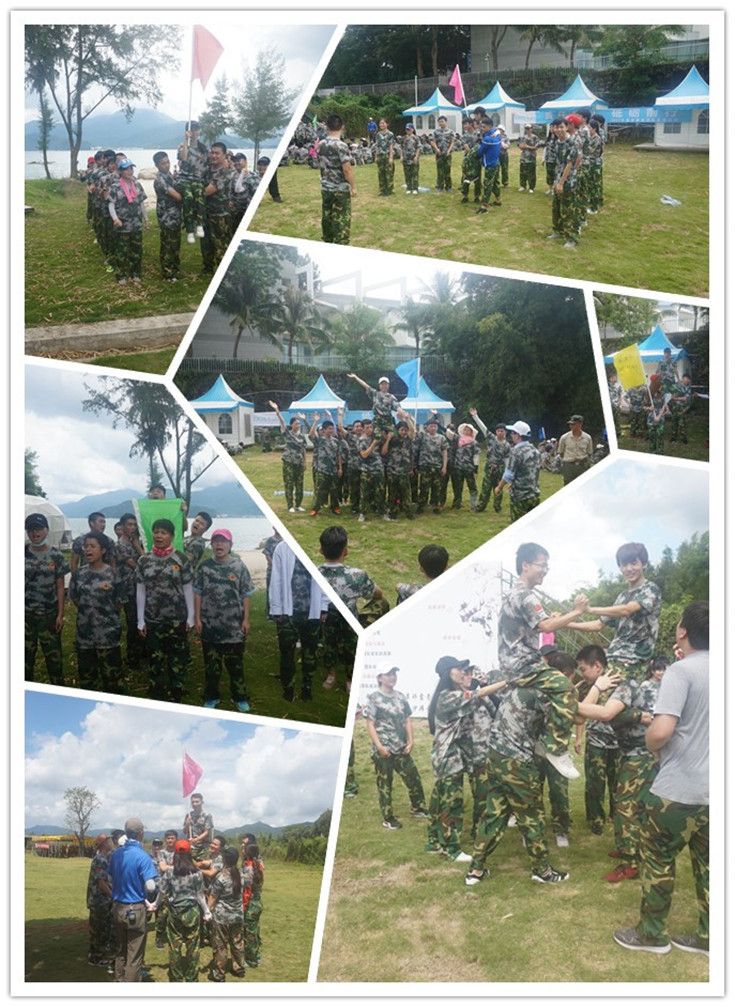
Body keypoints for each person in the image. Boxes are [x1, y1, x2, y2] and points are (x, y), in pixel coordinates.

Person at [613, 601, 709, 955]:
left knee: (657, 858)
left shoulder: (680, 672)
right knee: (711, 866)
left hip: (678, 789)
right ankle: (712, 936)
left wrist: (653, 746)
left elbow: (661, 731)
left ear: (682, 631)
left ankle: (652, 934)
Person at [499, 542, 593, 779]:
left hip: (518, 664)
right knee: (566, 688)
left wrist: (552, 619)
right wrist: (577, 611)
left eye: (547, 567)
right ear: (525, 565)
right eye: (542, 565)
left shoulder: (515, 593)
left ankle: (545, 741)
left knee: (553, 698)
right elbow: (546, 626)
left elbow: (538, 623)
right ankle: (556, 748)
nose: (545, 571)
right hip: (523, 665)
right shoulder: (525, 595)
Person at [426, 656, 507, 861]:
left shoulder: (451, 694)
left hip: (449, 755)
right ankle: (451, 849)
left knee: (441, 800)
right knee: (452, 802)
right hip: (448, 756)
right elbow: (478, 693)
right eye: (457, 669)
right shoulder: (447, 696)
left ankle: (434, 842)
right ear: (447, 673)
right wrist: (507, 681)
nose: (462, 672)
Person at [194, 527, 255, 713]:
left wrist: (246, 619)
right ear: (211, 544)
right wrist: (197, 618)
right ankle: (212, 696)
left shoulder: (239, 567)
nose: (219, 545)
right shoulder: (204, 567)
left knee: (235, 666)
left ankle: (240, 697)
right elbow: (198, 593)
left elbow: (246, 594)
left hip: (233, 627)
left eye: (223, 541)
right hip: (210, 626)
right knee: (211, 667)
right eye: (216, 541)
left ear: (230, 545)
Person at [136, 518, 194, 702]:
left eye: (163, 532)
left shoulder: (181, 559)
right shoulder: (144, 560)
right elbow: (140, 590)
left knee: (177, 657)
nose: (159, 536)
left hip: (177, 618)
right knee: (155, 658)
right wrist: (140, 619)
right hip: (153, 618)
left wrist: (191, 616)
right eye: (156, 532)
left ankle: (177, 689)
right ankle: (156, 689)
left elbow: (188, 588)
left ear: (172, 536)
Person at [365, 665, 428, 829]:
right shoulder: (374, 698)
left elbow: (407, 720)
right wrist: (379, 746)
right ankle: (388, 818)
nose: (392, 677)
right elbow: (370, 724)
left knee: (413, 778)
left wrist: (411, 741)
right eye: (388, 674)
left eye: (394, 673)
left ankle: (418, 807)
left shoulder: (400, 697)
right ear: (380, 678)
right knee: (385, 784)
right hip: (384, 750)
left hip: (401, 747)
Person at [269, 539, 329, 700]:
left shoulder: (314, 543)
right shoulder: (282, 548)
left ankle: (307, 689)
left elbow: (324, 577)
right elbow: (276, 579)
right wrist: (276, 609)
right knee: (287, 653)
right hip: (287, 612)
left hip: (312, 611)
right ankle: (288, 689)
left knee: (310, 654)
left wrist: (324, 605)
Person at [69, 530, 123, 693]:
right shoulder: (79, 574)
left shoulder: (113, 574)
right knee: (87, 679)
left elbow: (119, 602)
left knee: (112, 679)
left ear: (103, 550)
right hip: (85, 635)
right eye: (86, 546)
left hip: (108, 635)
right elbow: (75, 598)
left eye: (93, 546)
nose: (88, 550)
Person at [108, 816, 158, 982]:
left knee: (120, 950)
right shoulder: (143, 856)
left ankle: (119, 980)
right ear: (141, 833)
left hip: (118, 907)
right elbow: (150, 887)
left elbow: (110, 879)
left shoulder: (116, 854)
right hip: (135, 908)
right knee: (134, 954)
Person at [576, 645, 619, 836]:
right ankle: (596, 820)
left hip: (618, 743)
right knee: (595, 784)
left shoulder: (618, 681)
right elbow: (580, 713)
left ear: (597, 666)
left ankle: (617, 817)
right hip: (596, 742)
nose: (582, 673)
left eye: (584, 669)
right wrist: (579, 737)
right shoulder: (586, 685)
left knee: (617, 784)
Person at [24, 512, 68, 684]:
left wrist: (60, 614)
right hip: (25, 616)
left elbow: (60, 586)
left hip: (49, 615)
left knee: (54, 660)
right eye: (30, 529)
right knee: (24, 660)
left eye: (38, 529)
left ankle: (58, 689)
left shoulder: (56, 555)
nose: (34, 533)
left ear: (47, 530)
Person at [160, 839, 211, 981]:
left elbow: (162, 892)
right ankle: (191, 977)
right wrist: (206, 911)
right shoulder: (197, 873)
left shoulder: (170, 871)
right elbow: (200, 895)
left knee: (174, 946)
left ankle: (176, 977)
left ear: (175, 854)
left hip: (175, 911)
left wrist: (154, 904)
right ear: (190, 854)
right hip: (192, 911)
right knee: (193, 946)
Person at [318, 525, 386, 626]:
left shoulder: (310, 575)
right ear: (345, 551)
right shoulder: (357, 576)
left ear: (321, 550)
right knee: (382, 602)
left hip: (320, 628)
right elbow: (378, 594)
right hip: (348, 629)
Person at [317, 113, 355, 244]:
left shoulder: (320, 144)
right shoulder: (341, 145)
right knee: (342, 220)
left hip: (326, 187)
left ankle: (328, 240)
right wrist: (353, 187)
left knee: (327, 216)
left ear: (327, 127)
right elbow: (347, 169)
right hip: (340, 190)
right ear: (342, 127)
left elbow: (321, 164)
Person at [209, 846, 245, 980]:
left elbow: (213, 898)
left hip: (222, 917)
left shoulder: (221, 877)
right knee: (237, 942)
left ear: (224, 859)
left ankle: (219, 974)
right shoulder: (241, 875)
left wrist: (207, 912)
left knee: (221, 945)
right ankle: (239, 968)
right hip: (238, 915)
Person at [108, 160, 147, 285]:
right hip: (122, 225)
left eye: (131, 168)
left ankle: (136, 273)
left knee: (137, 250)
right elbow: (111, 204)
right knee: (122, 251)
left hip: (136, 224)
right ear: (120, 171)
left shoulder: (137, 184)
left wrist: (146, 219)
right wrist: (115, 219)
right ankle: (121, 275)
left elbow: (141, 203)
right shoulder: (115, 186)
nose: (130, 171)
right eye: (126, 169)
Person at [494, 421, 541, 522]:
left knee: (517, 525)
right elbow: (531, 471)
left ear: (518, 435)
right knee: (533, 525)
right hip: (534, 494)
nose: (511, 435)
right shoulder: (535, 450)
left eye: (513, 433)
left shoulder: (515, 452)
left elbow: (508, 474)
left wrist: (499, 487)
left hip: (520, 496)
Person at [469, 409, 510, 514]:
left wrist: (507, 472)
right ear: (496, 432)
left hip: (500, 470)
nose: (500, 432)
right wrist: (475, 416)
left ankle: (497, 507)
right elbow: (483, 428)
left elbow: (507, 460)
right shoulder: (491, 438)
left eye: (502, 431)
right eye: (498, 430)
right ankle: (480, 507)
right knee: (485, 488)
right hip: (489, 468)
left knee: (499, 488)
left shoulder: (507, 445)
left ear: (505, 432)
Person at [270, 402, 308, 512]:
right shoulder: (288, 433)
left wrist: (305, 462)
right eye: (296, 424)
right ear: (291, 425)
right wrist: (277, 411)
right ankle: (290, 506)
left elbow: (303, 450)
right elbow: (282, 422)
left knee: (299, 484)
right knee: (289, 484)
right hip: (289, 462)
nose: (298, 425)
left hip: (299, 463)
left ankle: (298, 505)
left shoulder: (302, 437)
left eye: (299, 424)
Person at [202, 142, 234, 272]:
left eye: (217, 153)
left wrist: (190, 192)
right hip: (206, 213)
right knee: (206, 243)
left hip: (220, 215)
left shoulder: (225, 172)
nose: (214, 155)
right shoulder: (208, 169)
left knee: (220, 244)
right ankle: (207, 267)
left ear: (224, 155)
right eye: (212, 152)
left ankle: (223, 271)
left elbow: (207, 191)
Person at [547, 118, 578, 249]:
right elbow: (556, 164)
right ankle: (557, 231)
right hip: (558, 178)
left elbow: (569, 164)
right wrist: (556, 181)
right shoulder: (556, 143)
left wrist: (561, 182)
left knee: (568, 209)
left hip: (568, 180)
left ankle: (571, 237)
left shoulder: (573, 142)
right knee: (556, 207)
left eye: (561, 127)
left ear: (567, 127)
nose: (558, 130)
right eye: (556, 127)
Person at [152, 151, 183, 282]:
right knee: (168, 245)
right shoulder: (160, 179)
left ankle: (175, 268)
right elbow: (177, 196)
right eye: (163, 163)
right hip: (167, 217)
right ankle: (167, 273)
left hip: (175, 215)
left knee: (175, 243)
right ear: (157, 165)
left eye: (168, 162)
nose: (167, 165)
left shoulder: (169, 175)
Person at [177, 120, 208, 242]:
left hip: (197, 179)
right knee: (188, 197)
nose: (195, 132)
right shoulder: (183, 146)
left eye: (197, 129)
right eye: (192, 129)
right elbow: (183, 158)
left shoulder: (203, 148)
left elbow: (207, 165)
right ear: (188, 131)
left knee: (199, 195)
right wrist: (186, 140)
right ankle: (189, 230)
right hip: (184, 179)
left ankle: (199, 224)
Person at [86, 834, 115, 967]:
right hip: (99, 901)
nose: (111, 842)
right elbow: (101, 883)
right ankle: (96, 957)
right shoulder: (100, 859)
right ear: (104, 843)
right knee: (99, 930)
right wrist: (112, 896)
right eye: (109, 840)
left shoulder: (104, 858)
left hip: (102, 901)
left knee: (102, 929)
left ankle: (98, 954)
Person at [382, 417, 417, 521]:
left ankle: (409, 513)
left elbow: (413, 430)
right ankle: (393, 512)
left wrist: (407, 418)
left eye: (405, 430)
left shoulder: (408, 440)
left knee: (406, 493)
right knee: (392, 493)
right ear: (397, 430)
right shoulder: (393, 440)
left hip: (404, 471)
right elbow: (383, 452)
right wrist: (388, 439)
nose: (404, 432)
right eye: (402, 430)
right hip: (392, 471)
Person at [347, 372, 400, 439]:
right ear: (379, 386)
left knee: (395, 436)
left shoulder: (391, 397)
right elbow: (365, 385)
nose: (384, 386)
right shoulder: (375, 394)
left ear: (388, 385)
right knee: (377, 437)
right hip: (377, 420)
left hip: (388, 421)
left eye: (386, 384)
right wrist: (355, 377)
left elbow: (398, 407)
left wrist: (400, 412)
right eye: (382, 384)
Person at [309, 416, 342, 515]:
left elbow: (338, 455)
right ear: (323, 430)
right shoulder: (319, 440)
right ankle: (316, 508)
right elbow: (310, 435)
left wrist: (340, 468)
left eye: (332, 428)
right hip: (322, 470)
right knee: (320, 490)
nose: (331, 430)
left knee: (334, 490)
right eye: (329, 429)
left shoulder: (335, 441)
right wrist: (315, 422)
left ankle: (335, 507)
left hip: (333, 470)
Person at [415, 417, 448, 515]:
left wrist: (444, 466)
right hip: (425, 466)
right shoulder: (422, 436)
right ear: (427, 427)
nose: (433, 428)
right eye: (431, 426)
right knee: (423, 487)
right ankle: (421, 506)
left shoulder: (441, 438)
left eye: (435, 426)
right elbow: (413, 432)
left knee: (437, 488)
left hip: (437, 466)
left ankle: (435, 506)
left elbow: (445, 452)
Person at [154, 830, 178, 950]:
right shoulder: (162, 853)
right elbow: (163, 868)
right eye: (168, 838)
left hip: (178, 886)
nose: (170, 840)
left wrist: (170, 867)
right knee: (162, 914)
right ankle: (159, 937)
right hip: (165, 887)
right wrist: (178, 867)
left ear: (176, 839)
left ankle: (175, 936)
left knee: (176, 913)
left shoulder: (180, 852)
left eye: (172, 838)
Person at [241, 842, 264, 967]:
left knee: (249, 933)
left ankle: (251, 960)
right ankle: (256, 955)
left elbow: (247, 887)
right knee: (254, 931)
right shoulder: (258, 864)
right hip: (257, 901)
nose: (242, 849)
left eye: (244, 848)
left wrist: (244, 905)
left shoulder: (249, 867)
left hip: (251, 903)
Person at [557, 414, 594, 484]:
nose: (571, 426)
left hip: (582, 466)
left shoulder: (587, 438)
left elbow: (589, 452)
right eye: (570, 424)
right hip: (569, 466)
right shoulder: (564, 437)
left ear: (580, 424)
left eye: (573, 424)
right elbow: (561, 452)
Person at [476, 118, 503, 213]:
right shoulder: (497, 134)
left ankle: (485, 206)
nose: (482, 128)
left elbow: (480, 152)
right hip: (496, 162)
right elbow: (497, 131)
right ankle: (498, 200)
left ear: (490, 126)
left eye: (484, 127)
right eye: (481, 127)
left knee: (487, 184)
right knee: (495, 182)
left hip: (490, 164)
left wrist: (476, 153)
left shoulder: (488, 139)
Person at [230, 153, 260, 234]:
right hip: (234, 212)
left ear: (245, 162)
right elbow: (230, 192)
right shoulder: (233, 176)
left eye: (239, 160)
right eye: (235, 161)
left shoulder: (252, 176)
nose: (236, 163)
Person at [183, 793, 214, 861]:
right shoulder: (189, 815)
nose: (194, 804)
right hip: (191, 846)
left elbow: (207, 832)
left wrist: (197, 839)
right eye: (193, 802)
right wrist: (187, 824)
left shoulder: (207, 815)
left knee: (202, 864)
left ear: (202, 802)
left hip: (204, 846)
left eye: (197, 802)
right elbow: (184, 832)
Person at [459, 119, 481, 204]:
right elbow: (465, 147)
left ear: (471, 124)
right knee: (466, 177)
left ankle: (477, 196)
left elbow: (480, 145)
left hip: (477, 159)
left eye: (466, 124)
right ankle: (465, 196)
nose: (464, 126)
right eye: (463, 124)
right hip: (468, 159)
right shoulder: (464, 136)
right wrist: (471, 153)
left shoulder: (478, 134)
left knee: (477, 178)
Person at [430, 115, 455, 191]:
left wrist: (449, 151)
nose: (441, 123)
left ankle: (448, 186)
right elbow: (432, 142)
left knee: (447, 170)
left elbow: (452, 142)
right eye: (439, 122)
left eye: (442, 121)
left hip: (447, 154)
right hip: (439, 154)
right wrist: (436, 149)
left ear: (446, 122)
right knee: (440, 171)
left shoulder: (450, 132)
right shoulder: (436, 132)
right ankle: (439, 186)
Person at [374, 118, 396, 196]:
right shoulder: (378, 134)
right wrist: (376, 156)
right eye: (380, 123)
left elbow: (391, 146)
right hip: (380, 155)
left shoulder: (390, 134)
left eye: (383, 123)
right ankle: (382, 190)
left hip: (387, 155)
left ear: (387, 124)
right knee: (381, 173)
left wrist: (391, 157)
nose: (381, 125)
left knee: (389, 173)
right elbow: (377, 146)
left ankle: (390, 190)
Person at [669, 374, 693, 444]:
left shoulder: (688, 388)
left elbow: (686, 398)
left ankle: (683, 438)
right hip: (674, 407)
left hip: (682, 409)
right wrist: (673, 397)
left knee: (682, 424)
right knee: (674, 423)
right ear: (683, 379)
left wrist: (676, 398)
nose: (687, 381)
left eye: (688, 380)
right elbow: (671, 394)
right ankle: (673, 438)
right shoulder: (676, 385)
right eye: (685, 379)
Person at [518, 124, 540, 193]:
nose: (527, 130)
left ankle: (531, 187)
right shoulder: (523, 137)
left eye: (529, 128)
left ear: (531, 129)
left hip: (531, 158)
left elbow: (536, 147)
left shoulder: (535, 137)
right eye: (526, 128)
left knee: (532, 174)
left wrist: (527, 146)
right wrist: (522, 146)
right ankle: (523, 186)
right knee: (522, 173)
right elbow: (520, 146)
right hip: (523, 158)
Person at [400, 123, 421, 194]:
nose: (408, 130)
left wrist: (416, 157)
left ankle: (415, 188)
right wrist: (401, 156)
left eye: (409, 129)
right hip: (406, 159)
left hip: (413, 158)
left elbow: (418, 148)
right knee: (407, 174)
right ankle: (409, 188)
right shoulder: (403, 138)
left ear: (412, 129)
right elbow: (401, 148)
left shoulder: (416, 138)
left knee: (414, 174)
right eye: (407, 129)